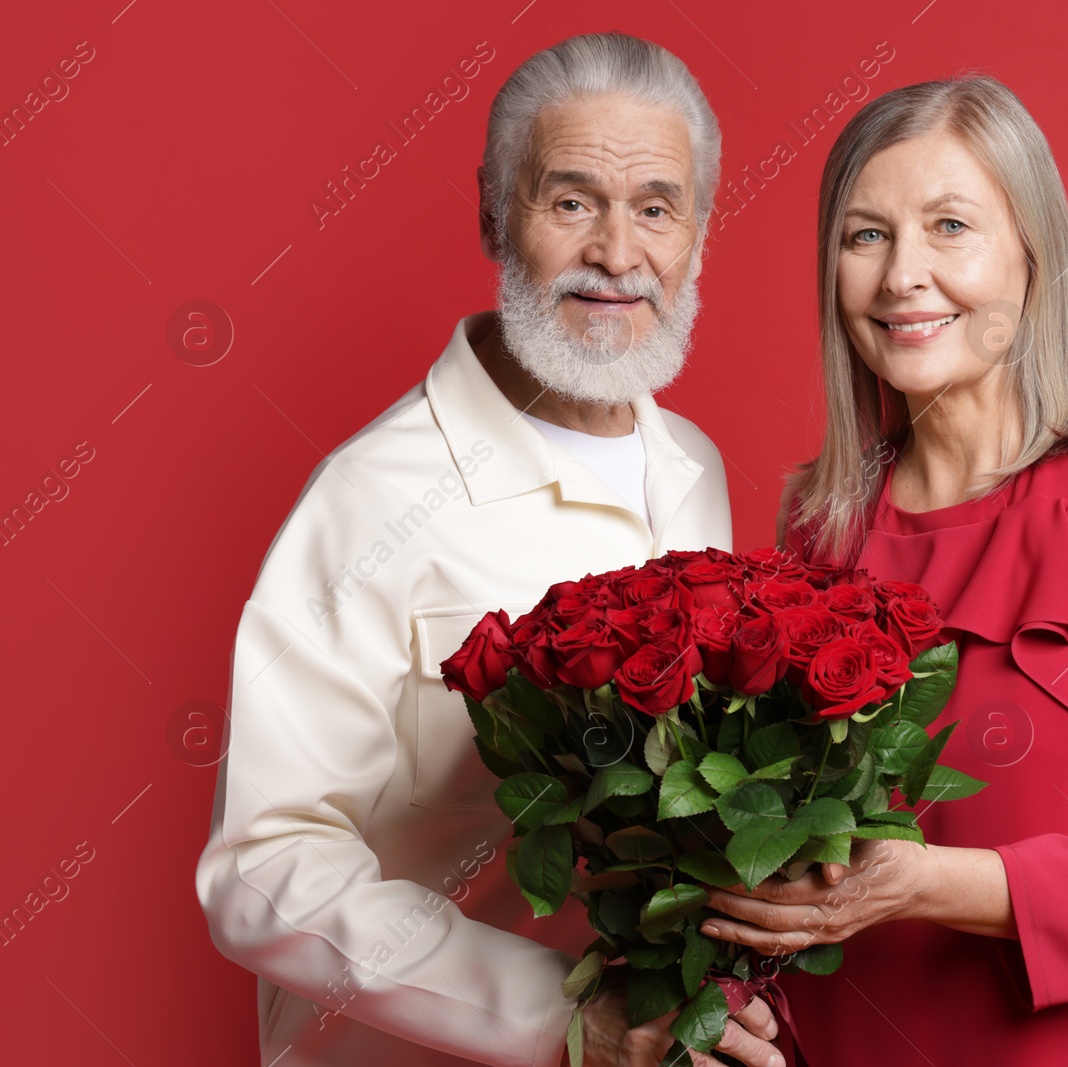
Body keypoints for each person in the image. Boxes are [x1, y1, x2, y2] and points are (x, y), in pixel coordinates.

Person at [196, 33, 785, 1067]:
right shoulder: (372, 495)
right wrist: (560, 1018)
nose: (616, 251)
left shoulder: (693, 464)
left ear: (699, 228)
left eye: (655, 205)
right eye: (571, 202)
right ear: (491, 211)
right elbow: (261, 866)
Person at [695, 75, 1068, 1066]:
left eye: (949, 226)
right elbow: (785, 842)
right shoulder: (816, 523)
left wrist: (929, 884)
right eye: (866, 236)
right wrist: (728, 996)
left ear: (1033, 255)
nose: (901, 278)